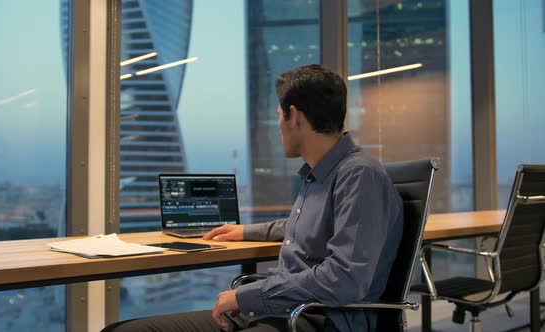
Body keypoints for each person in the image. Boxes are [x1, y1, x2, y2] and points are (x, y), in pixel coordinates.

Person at [102, 64, 403, 332]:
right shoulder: (319, 175)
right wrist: (246, 231)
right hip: (281, 309)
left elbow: (345, 278)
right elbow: (309, 228)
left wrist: (249, 295)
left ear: (294, 116)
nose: (279, 128)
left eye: (278, 117)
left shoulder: (359, 175)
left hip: (316, 318)